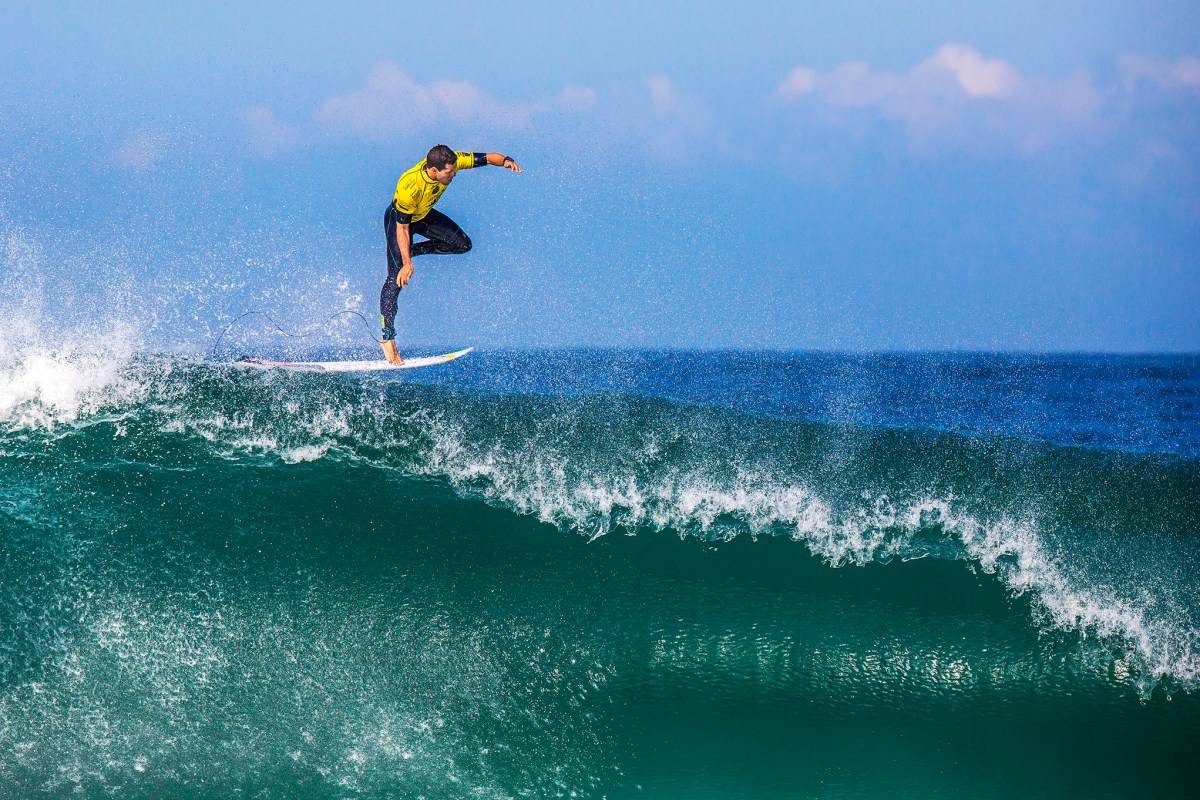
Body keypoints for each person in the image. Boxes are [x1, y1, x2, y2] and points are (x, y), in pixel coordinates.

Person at [380, 144, 523, 364]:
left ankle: (413, 251)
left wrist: (505, 161)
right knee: (395, 277)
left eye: (454, 170)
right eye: (449, 172)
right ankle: (388, 338)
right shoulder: (411, 187)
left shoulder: (451, 161)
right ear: (434, 171)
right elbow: (403, 229)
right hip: (399, 222)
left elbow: (487, 158)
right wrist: (406, 263)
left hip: (423, 216)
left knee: (463, 244)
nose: (454, 175)